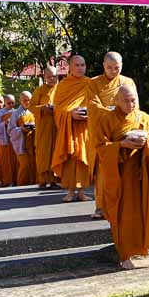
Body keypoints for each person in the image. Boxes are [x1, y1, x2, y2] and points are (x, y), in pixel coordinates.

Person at [93, 83, 149, 269]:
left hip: (141, 175)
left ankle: (142, 248)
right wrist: (122, 145)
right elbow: (100, 147)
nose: (130, 105)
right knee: (122, 215)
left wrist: (148, 141)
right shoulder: (107, 119)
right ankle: (125, 255)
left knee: (143, 211)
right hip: (119, 176)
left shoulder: (143, 117)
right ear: (117, 100)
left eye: (133, 100)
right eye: (126, 101)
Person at [86, 52, 137, 220]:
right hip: (105, 130)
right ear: (103, 65)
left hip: (124, 129)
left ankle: (123, 205)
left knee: (125, 170)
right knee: (104, 171)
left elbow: (135, 105)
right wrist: (112, 113)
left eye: (117, 67)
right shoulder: (94, 83)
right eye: (109, 67)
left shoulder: (128, 82)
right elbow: (92, 106)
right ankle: (101, 206)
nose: (113, 71)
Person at [52, 55, 93, 203]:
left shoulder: (90, 83)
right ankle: (70, 191)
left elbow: (95, 103)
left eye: (83, 65)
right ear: (70, 67)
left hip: (84, 127)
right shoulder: (63, 85)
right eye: (77, 65)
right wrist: (70, 114)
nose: (80, 68)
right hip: (68, 128)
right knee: (70, 158)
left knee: (83, 158)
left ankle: (82, 191)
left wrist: (89, 112)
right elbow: (57, 109)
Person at [33, 65, 59, 189]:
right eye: (49, 77)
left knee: (56, 151)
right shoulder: (39, 90)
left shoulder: (62, 89)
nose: (52, 79)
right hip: (43, 127)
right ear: (44, 78)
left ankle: (54, 180)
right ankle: (42, 180)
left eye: (54, 76)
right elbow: (31, 107)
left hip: (57, 126)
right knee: (43, 153)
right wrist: (42, 108)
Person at [10, 91, 37, 187]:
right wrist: (21, 129)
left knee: (34, 164)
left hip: (34, 142)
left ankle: (33, 184)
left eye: (29, 100)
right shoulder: (15, 114)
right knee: (24, 165)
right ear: (20, 101)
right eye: (25, 100)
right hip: (22, 143)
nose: (27, 102)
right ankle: (21, 185)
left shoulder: (35, 110)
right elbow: (10, 130)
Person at [0, 95, 17, 187]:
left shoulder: (16, 112)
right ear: (5, 103)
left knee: (15, 161)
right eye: (8, 103)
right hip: (4, 140)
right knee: (5, 162)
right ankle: (7, 180)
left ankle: (15, 179)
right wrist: (4, 124)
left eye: (12, 103)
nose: (10, 105)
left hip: (15, 140)